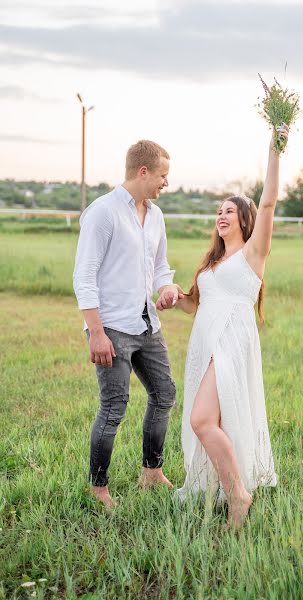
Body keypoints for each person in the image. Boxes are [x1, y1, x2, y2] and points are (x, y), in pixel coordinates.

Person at [157, 123, 289, 528]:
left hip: (232, 338)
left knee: (201, 420)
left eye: (229, 210)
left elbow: (267, 202)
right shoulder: (212, 264)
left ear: (246, 219)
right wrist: (175, 297)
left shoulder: (253, 254)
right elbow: (195, 305)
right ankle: (225, 488)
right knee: (210, 419)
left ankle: (238, 496)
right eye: (218, 211)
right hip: (205, 341)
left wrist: (275, 149)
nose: (221, 215)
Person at [73, 139, 182, 508]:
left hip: (147, 326)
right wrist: (97, 333)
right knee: (114, 407)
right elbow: (84, 276)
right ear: (143, 171)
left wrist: (165, 288)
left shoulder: (156, 216)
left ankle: (152, 472)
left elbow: (160, 267)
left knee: (164, 394)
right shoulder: (103, 212)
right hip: (112, 329)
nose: (166, 183)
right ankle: (98, 488)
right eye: (163, 175)